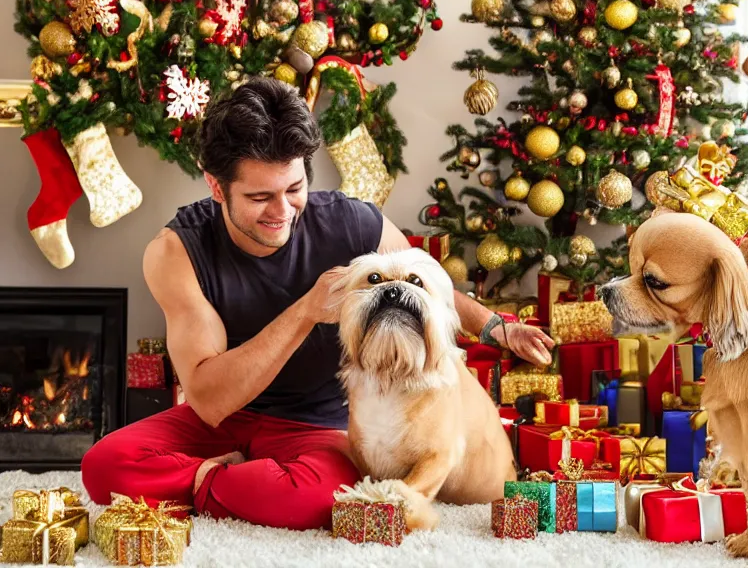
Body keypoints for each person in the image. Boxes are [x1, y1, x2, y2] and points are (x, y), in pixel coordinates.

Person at [80, 77, 555, 530]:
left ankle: (207, 482)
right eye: (260, 196)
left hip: (315, 424)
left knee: (322, 500)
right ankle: (230, 480)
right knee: (104, 466)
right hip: (224, 422)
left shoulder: (352, 224)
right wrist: (307, 310)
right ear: (216, 186)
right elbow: (207, 400)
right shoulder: (176, 252)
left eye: (293, 189)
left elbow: (420, 283)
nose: (282, 212)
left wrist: (496, 327)